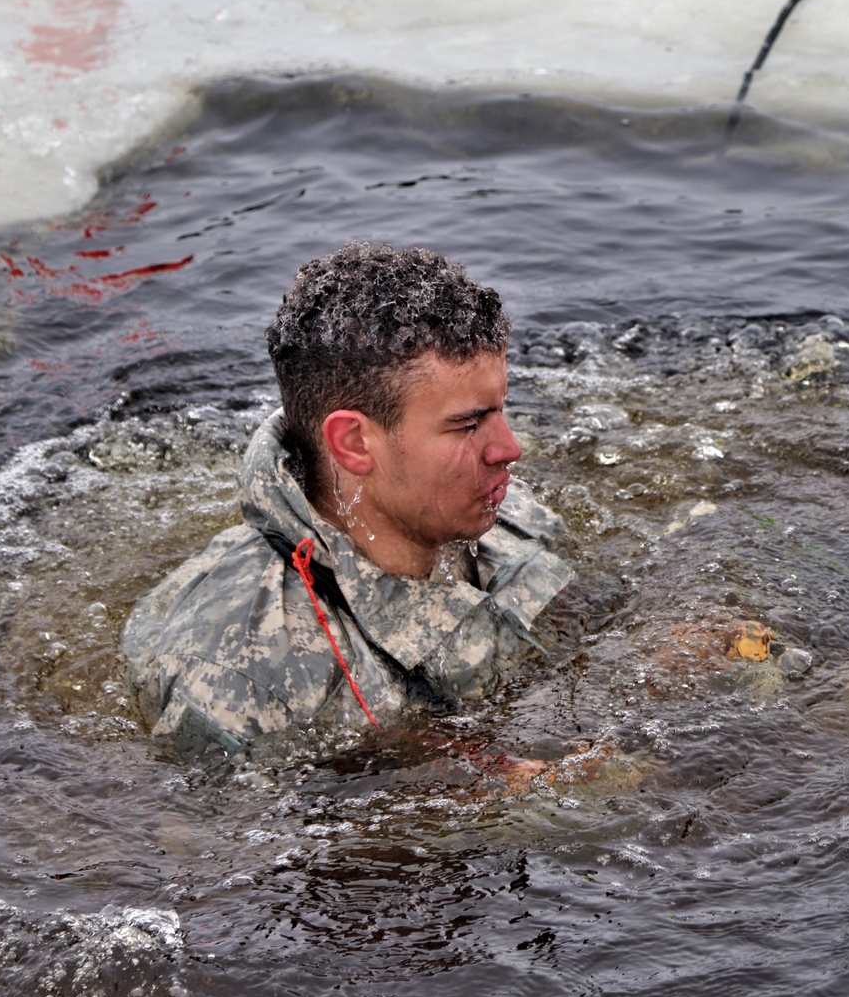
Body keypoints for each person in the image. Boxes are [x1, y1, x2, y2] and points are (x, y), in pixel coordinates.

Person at [124, 242, 573, 754]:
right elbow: (203, 829)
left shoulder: (512, 518)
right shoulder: (242, 680)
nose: (509, 449)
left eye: (499, 410)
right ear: (354, 443)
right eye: (469, 424)